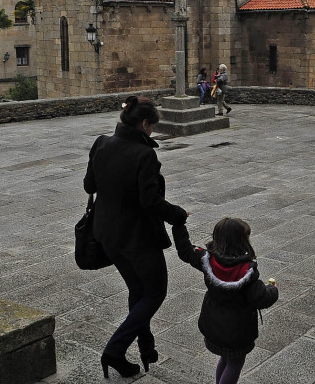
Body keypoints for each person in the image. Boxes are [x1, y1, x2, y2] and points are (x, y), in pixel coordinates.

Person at [83, 96, 189, 378]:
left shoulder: (101, 143)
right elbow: (150, 201)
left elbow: (89, 185)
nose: (152, 132)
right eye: (152, 127)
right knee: (155, 292)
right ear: (144, 124)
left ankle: (144, 345)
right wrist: (178, 214)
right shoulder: (145, 155)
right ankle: (115, 350)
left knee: (137, 291)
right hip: (137, 238)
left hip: (106, 234)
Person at [173, 217, 278, 384]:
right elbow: (261, 298)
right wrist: (272, 289)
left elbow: (185, 251)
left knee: (226, 358)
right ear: (242, 241)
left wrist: (178, 223)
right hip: (238, 330)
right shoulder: (247, 271)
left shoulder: (207, 259)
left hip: (214, 323)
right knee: (235, 363)